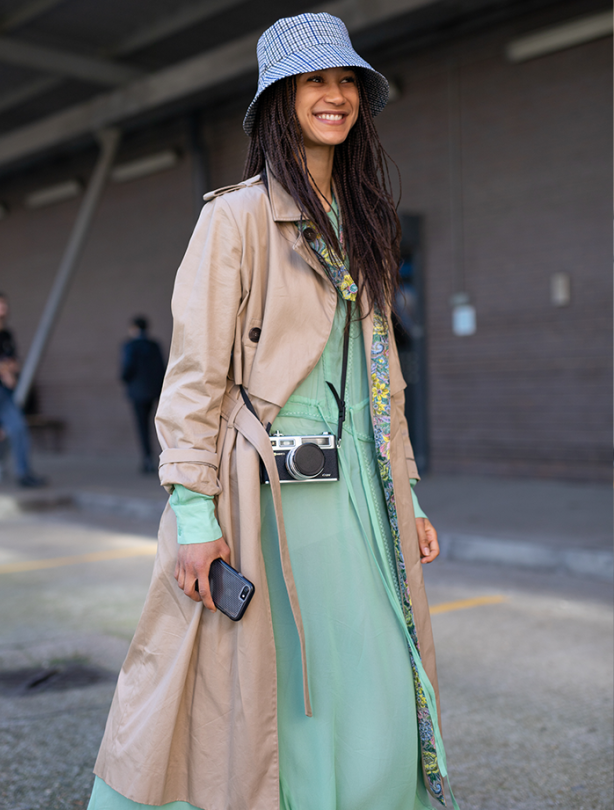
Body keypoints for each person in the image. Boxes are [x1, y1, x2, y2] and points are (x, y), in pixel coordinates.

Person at [89, 13, 456, 810]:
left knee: (379, 683)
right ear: (280, 101)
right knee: (273, 694)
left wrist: (411, 495)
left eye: (347, 80)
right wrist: (194, 514)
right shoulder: (233, 219)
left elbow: (381, 379)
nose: (336, 96)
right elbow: (194, 378)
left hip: (363, 491)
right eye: (316, 82)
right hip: (268, 503)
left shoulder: (365, 223)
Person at [0, 292, 46, 490]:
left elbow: (13, 361)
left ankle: (24, 474)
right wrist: (0, 368)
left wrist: (11, 370)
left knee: (19, 429)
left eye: (4, 305)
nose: (2, 308)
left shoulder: (7, 334)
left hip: (3, 393)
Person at [120, 316, 166, 473]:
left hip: (138, 393)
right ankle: (165, 458)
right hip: (155, 391)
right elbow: (162, 367)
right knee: (159, 425)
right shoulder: (154, 345)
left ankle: (147, 459)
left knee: (142, 427)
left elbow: (127, 369)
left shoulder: (130, 346)